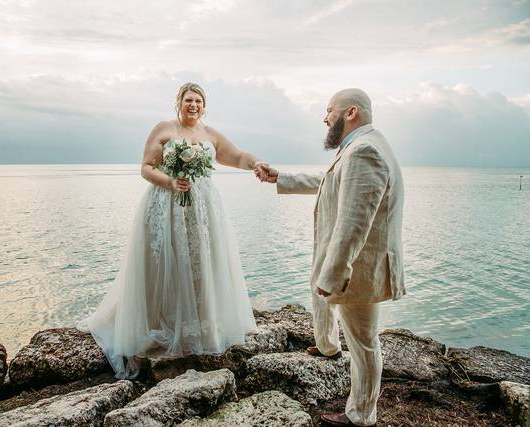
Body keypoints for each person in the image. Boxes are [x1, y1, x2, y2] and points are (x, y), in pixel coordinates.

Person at [77, 82, 261, 379]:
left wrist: (256, 164)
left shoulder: (209, 134)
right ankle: (159, 323)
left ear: (204, 105)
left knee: (200, 263)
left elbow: (236, 155)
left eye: (199, 101)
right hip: (166, 204)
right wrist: (171, 183)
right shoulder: (163, 129)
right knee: (165, 262)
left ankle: (196, 324)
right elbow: (146, 167)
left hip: (201, 208)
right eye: (189, 100)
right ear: (179, 102)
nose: (194, 105)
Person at [256, 88, 405, 427]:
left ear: (350, 112)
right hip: (357, 264)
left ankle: (361, 416)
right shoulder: (362, 146)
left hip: (361, 269)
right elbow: (331, 183)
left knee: (365, 344)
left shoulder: (365, 151)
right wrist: (282, 177)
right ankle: (328, 347)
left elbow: (355, 222)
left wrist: (333, 276)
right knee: (352, 331)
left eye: (329, 111)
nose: (325, 118)